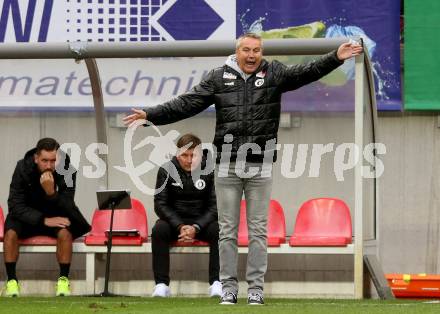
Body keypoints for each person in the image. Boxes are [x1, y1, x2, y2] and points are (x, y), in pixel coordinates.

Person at [123, 33, 363, 305]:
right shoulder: (218, 77)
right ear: (236, 52)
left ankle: (256, 290)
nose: (252, 55)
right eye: (247, 50)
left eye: (257, 50)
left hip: (260, 165)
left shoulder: (274, 72)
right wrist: (150, 115)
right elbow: (186, 103)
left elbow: (305, 72)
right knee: (226, 230)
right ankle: (228, 288)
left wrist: (335, 57)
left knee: (258, 230)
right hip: (226, 165)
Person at [3, 138, 91, 297]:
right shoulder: (22, 167)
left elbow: (68, 206)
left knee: (65, 233)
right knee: (10, 233)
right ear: (36, 158)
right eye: (44, 161)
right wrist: (43, 220)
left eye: (53, 161)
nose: (49, 165)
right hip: (26, 216)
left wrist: (52, 193)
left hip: (54, 213)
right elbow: (15, 205)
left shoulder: (68, 171)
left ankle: (63, 280)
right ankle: (11, 281)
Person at [151, 133, 221, 297]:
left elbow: (216, 205)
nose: (189, 160)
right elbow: (160, 204)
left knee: (219, 229)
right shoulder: (166, 170)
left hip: (202, 223)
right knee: (158, 230)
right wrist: (180, 226)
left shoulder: (210, 170)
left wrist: (196, 227)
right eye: (185, 155)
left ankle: (217, 283)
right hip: (174, 223)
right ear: (177, 154)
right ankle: (161, 285)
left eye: (193, 155)